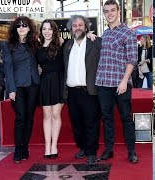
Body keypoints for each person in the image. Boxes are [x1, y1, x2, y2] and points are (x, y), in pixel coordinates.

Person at [95, 0, 138, 164]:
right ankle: (108, 150)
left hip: (121, 84)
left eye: (112, 10)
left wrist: (124, 82)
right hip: (103, 83)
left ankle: (132, 152)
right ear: (104, 14)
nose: (109, 13)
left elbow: (131, 61)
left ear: (118, 11)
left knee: (126, 118)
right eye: (106, 11)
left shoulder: (128, 33)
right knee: (107, 118)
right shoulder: (105, 34)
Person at [63, 15, 102, 165]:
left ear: (86, 27)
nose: (77, 27)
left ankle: (91, 152)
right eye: (74, 25)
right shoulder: (67, 46)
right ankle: (83, 148)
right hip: (72, 92)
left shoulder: (96, 42)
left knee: (91, 122)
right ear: (71, 29)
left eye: (80, 25)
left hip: (89, 91)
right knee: (76, 123)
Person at [2, 16, 40, 163]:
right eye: (19, 26)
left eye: (24, 25)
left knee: (29, 118)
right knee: (20, 117)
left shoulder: (34, 44)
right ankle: (18, 149)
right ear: (15, 29)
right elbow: (8, 68)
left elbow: (51, 44)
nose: (22, 28)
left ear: (29, 28)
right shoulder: (8, 45)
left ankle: (25, 148)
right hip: (17, 87)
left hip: (33, 85)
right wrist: (11, 89)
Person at [36, 19, 65, 159]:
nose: (47, 31)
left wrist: (90, 34)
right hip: (45, 83)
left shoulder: (61, 44)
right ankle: (47, 146)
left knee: (55, 114)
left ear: (54, 30)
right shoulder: (37, 46)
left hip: (59, 82)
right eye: (44, 29)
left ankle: (54, 145)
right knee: (46, 115)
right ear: (41, 31)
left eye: (49, 29)